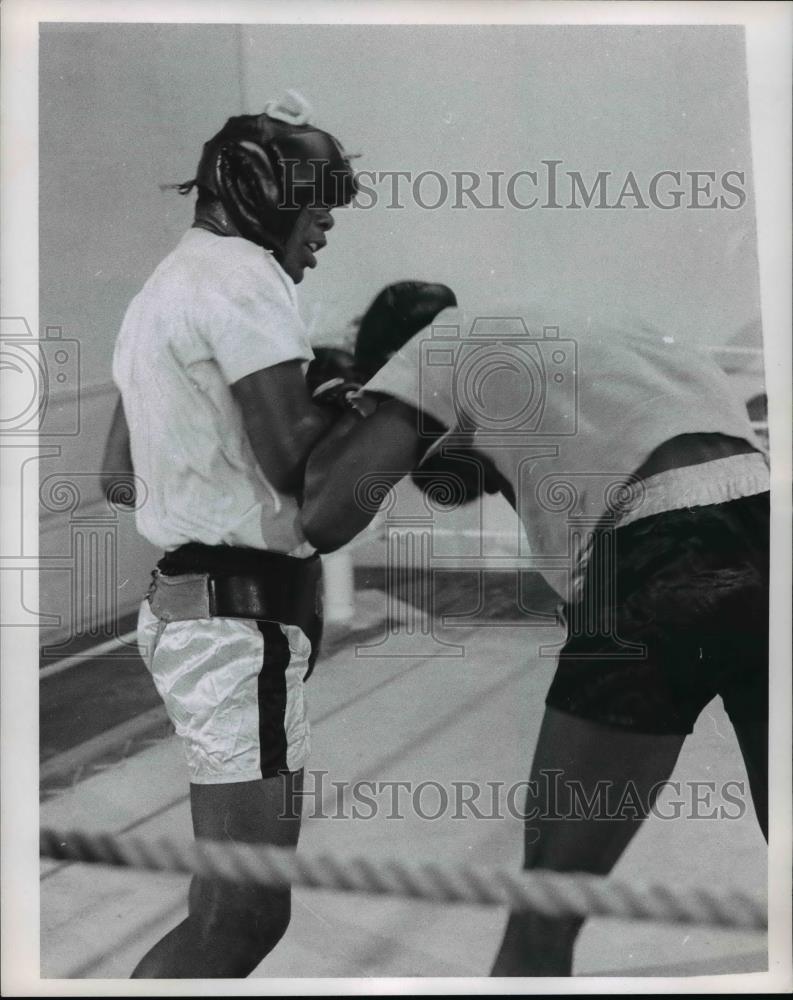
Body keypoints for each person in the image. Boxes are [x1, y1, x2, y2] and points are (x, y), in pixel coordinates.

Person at [298, 302, 770, 977]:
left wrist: (350, 415)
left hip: (661, 555)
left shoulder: (435, 348)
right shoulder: (595, 339)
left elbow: (324, 519)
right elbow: (461, 479)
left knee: (543, 914)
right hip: (770, 527)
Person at [104, 93, 362, 978]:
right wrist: (388, 404)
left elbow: (117, 472)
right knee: (243, 915)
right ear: (265, 192)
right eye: (317, 198)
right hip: (234, 619)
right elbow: (297, 463)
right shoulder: (246, 278)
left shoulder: (165, 285)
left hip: (201, 611)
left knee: (232, 906)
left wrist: (316, 389)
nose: (325, 222)